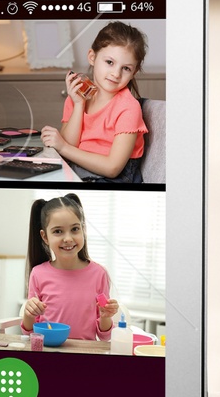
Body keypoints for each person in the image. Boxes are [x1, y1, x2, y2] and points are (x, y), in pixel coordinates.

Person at [39, 20, 150, 183]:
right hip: (78, 168)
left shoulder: (128, 108)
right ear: (92, 57)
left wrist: (62, 146)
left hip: (112, 178)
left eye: (126, 68)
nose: (116, 74)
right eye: (110, 62)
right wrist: (78, 105)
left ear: (134, 72)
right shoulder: (77, 96)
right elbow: (69, 146)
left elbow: (112, 168)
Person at [19, 193, 119, 342]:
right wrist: (29, 314)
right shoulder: (38, 273)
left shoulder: (99, 274)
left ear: (83, 230)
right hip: (48, 350)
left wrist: (106, 317)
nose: (68, 238)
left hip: (85, 353)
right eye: (58, 231)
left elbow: (105, 336)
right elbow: (29, 333)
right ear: (45, 237)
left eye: (75, 229)